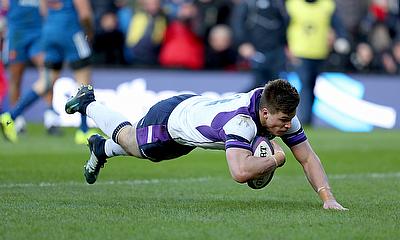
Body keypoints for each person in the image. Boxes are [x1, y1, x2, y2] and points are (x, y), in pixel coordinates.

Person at [65, 79, 348, 211]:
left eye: (290, 119)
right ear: (265, 113)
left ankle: (100, 149)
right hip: (170, 121)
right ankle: (88, 103)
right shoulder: (241, 123)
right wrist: (275, 159)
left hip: (194, 113)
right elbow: (239, 173)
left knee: (151, 155)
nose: (288, 126)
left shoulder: (275, 108)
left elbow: (308, 157)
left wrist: (328, 198)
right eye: (284, 120)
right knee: (133, 143)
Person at [0, 0, 60, 136]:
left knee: (47, 70)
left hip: (37, 32)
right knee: (16, 77)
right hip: (17, 32)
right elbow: (5, 6)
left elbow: (44, 8)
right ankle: (17, 119)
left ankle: (50, 116)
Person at [285, 0, 350, 125]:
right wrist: (286, 46)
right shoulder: (292, 4)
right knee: (306, 84)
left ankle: (307, 118)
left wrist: (342, 38)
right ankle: (304, 119)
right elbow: (283, 26)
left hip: (319, 52)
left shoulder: (327, 5)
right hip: (299, 52)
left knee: (312, 85)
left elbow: (338, 24)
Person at [231, 0, 289, 91]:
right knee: (257, 84)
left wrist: (288, 45)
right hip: (255, 52)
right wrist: (243, 43)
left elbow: (286, 24)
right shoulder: (248, 3)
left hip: (277, 51)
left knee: (277, 86)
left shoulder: (279, 3)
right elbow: (237, 23)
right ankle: (243, 102)